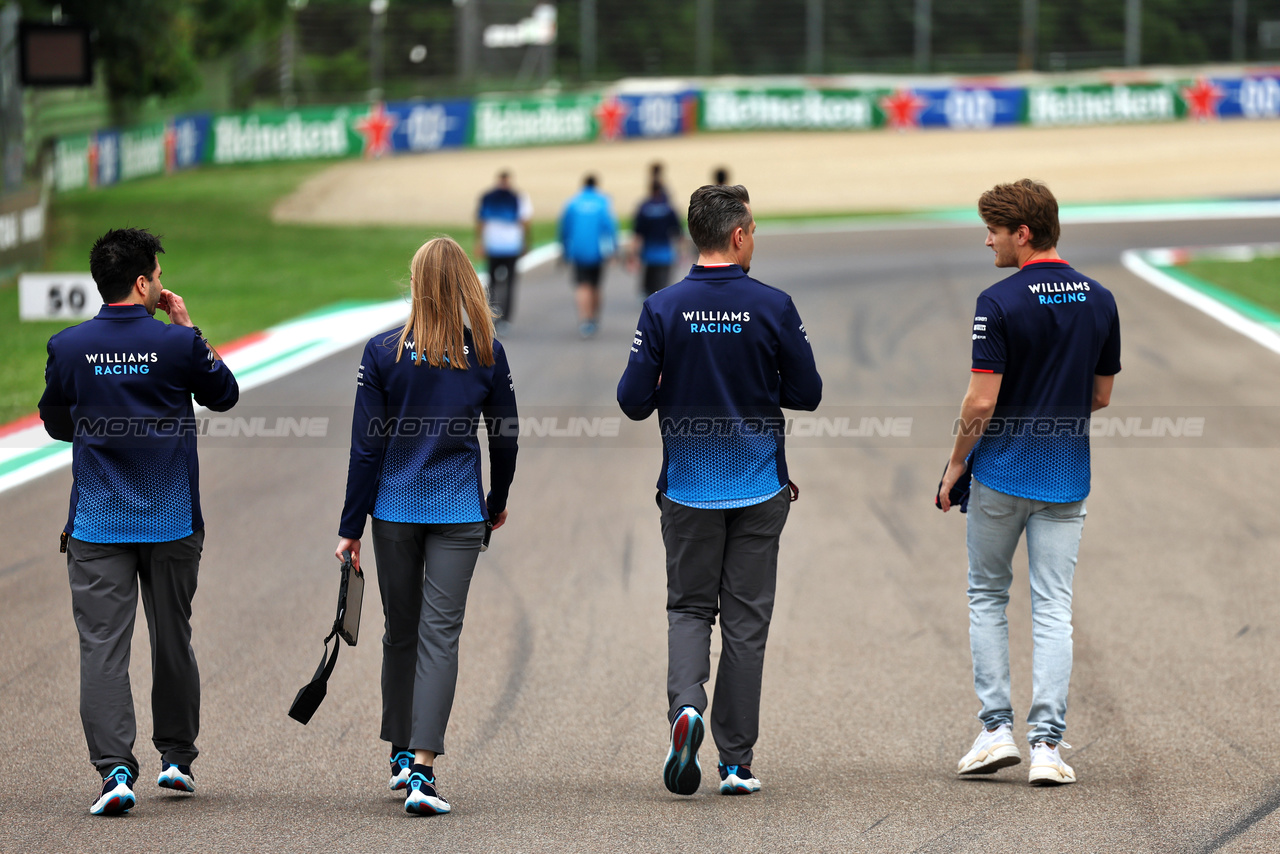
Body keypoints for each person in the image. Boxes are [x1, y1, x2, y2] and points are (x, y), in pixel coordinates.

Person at [617, 184, 822, 797]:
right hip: (759, 486)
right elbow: (808, 393)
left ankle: (687, 708)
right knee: (746, 623)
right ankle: (735, 762)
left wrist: (670, 376)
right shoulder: (774, 305)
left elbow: (631, 402)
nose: (754, 238)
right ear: (737, 236)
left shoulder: (661, 308)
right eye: (753, 230)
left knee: (688, 608)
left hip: (686, 489)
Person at [38, 227, 239, 815]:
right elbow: (224, 394)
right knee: (173, 637)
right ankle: (176, 758)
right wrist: (186, 328)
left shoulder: (67, 345)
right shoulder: (176, 345)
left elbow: (55, 422)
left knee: (102, 646)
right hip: (172, 521)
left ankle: (115, 773)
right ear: (143, 281)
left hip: (98, 522)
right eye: (155, 276)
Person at [938, 179, 1120, 787]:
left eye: (993, 228)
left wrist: (957, 461)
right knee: (1053, 607)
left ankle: (995, 732)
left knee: (988, 596)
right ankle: (1047, 746)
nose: (985, 238)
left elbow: (980, 399)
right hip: (1067, 477)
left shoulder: (998, 300)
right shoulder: (1100, 299)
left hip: (999, 473)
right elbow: (1099, 395)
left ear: (1023, 233)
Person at [336, 236, 518, 816]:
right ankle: (421, 768)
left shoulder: (382, 352)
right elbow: (506, 436)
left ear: (415, 284)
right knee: (440, 637)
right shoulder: (486, 351)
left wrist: (350, 526)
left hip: (393, 511)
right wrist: (497, 498)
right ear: (466, 283)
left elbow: (366, 449)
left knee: (401, 631)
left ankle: (399, 753)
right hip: (460, 512)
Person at [558, 174, 618, 338]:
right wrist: (614, 250)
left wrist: (564, 248)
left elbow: (564, 228)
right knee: (596, 285)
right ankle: (594, 318)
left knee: (582, 285)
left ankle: (585, 320)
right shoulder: (603, 202)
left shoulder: (572, 203)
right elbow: (610, 228)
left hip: (578, 251)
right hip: (597, 252)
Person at [475, 170, 532, 333]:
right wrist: (480, 243)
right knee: (493, 283)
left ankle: (505, 319)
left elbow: (524, 222)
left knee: (509, 284)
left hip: (511, 247)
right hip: (495, 246)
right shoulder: (490, 197)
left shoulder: (517, 198)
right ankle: (493, 316)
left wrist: (525, 243)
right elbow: (481, 221)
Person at [629, 179, 684, 297]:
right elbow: (678, 231)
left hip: (648, 253)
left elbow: (637, 233)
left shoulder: (644, 208)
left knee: (649, 287)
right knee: (663, 287)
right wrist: (682, 252)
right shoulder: (668, 208)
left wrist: (632, 254)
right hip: (665, 254)